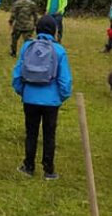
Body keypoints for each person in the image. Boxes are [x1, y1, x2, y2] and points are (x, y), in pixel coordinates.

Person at [12, 15, 72, 180]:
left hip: (30, 97)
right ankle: (49, 169)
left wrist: (22, 91)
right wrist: (61, 96)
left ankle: (28, 166)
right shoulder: (59, 50)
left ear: (37, 29)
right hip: (51, 101)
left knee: (31, 133)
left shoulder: (27, 47)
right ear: (54, 31)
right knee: (49, 134)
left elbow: (18, 73)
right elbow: (65, 80)